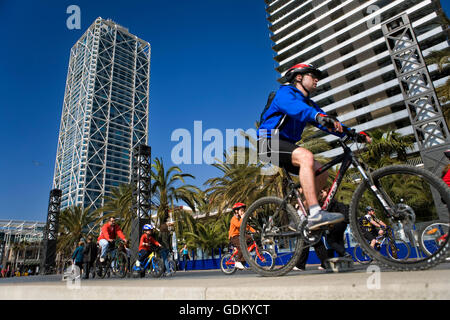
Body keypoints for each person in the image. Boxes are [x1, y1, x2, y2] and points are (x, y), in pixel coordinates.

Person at [257, 63, 371, 231]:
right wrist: (317, 116)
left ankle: (302, 215)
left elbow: (326, 122)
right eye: (313, 75)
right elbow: (297, 109)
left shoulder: (309, 104)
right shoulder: (285, 93)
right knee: (306, 156)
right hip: (268, 143)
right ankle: (315, 213)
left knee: (321, 171)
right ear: (299, 77)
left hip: (287, 145)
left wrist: (352, 134)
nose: (317, 79)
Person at [318, 188, 352, 258]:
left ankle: (344, 253)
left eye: (322, 192)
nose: (320, 194)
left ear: (327, 192)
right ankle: (343, 258)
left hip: (335, 222)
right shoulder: (335, 200)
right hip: (343, 223)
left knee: (330, 241)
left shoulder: (328, 202)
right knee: (339, 240)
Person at [228, 202, 256, 270]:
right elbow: (238, 225)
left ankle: (242, 262)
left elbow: (247, 226)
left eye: (243, 211)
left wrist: (254, 231)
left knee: (250, 240)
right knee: (241, 246)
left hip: (239, 236)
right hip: (234, 237)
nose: (243, 212)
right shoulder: (234, 218)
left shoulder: (240, 219)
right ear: (236, 211)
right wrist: (243, 218)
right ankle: (237, 261)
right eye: (241, 211)